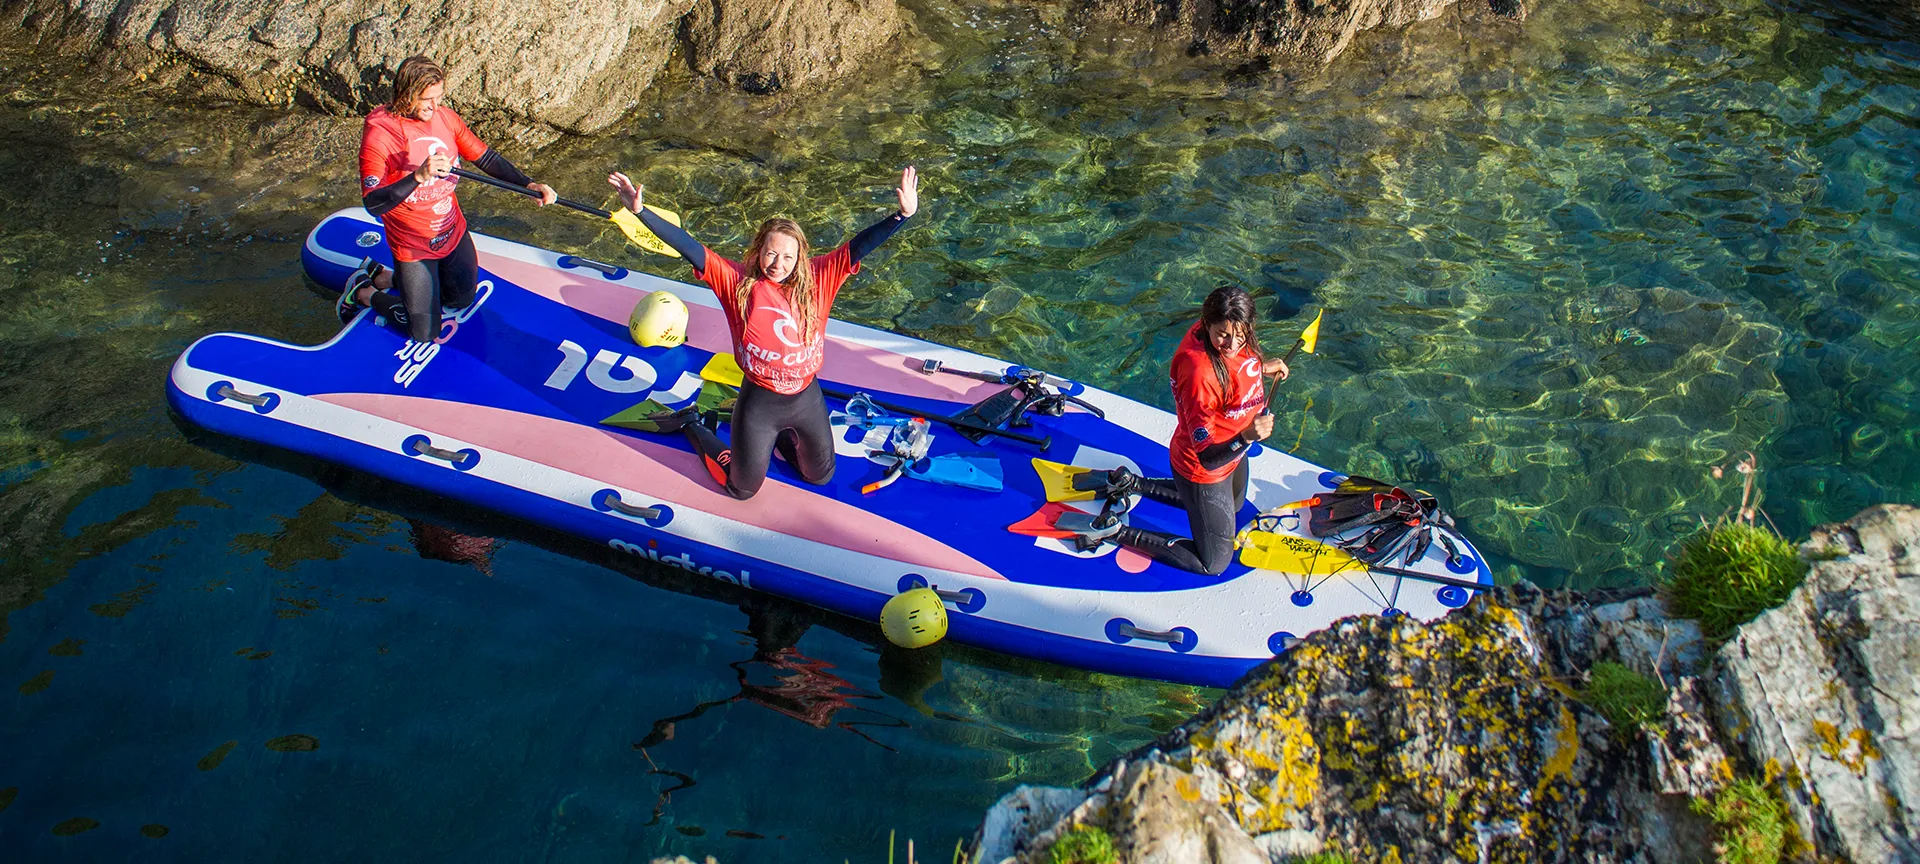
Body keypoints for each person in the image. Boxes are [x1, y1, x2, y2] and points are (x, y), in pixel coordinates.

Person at [606, 166, 919, 499]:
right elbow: (690, 247)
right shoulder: (737, 282)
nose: (778, 264)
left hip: (805, 398)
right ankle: (691, 422)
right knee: (741, 490)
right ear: (758, 251)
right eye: (771, 253)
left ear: (800, 257)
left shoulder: (819, 278)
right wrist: (640, 211)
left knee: (821, 477)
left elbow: (860, 245)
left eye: (787, 256)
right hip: (759, 404)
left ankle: (780, 438)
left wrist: (902, 215)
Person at [338, 55, 559, 343]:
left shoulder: (445, 118)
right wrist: (418, 176)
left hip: (450, 230)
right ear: (406, 96)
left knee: (461, 300)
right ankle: (365, 293)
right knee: (425, 333)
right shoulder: (381, 133)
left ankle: (385, 277)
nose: (435, 106)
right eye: (427, 99)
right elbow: (373, 203)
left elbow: (486, 157)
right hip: (412, 245)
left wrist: (528, 184)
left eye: (439, 97)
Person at [1077, 285, 1289, 574]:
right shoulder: (1199, 372)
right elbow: (1208, 459)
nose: (1231, 344)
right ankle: (1114, 531)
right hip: (1206, 467)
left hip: (1236, 453)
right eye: (1223, 335)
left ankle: (1133, 484)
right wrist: (1247, 437)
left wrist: (1259, 366)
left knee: (1237, 506)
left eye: (1240, 335)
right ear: (1206, 324)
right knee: (1213, 563)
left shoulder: (1230, 330)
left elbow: (1235, 357)